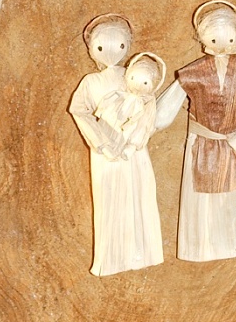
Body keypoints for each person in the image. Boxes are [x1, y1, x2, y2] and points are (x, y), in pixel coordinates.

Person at [156, 0, 236, 262]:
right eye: (214, 38)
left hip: (235, 141)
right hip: (203, 143)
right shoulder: (195, 72)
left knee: (235, 191)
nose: (221, 44)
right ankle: (205, 246)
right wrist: (148, 125)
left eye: (228, 38)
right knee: (203, 196)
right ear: (203, 39)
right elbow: (167, 106)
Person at [69, 16, 164, 276]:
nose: (111, 52)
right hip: (106, 150)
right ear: (92, 49)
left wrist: (136, 139)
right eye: (101, 47)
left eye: (120, 45)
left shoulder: (132, 74)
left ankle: (143, 251)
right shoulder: (91, 82)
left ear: (128, 45)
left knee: (139, 194)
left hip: (133, 149)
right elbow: (79, 111)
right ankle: (111, 258)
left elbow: (149, 106)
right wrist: (101, 143)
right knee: (110, 199)